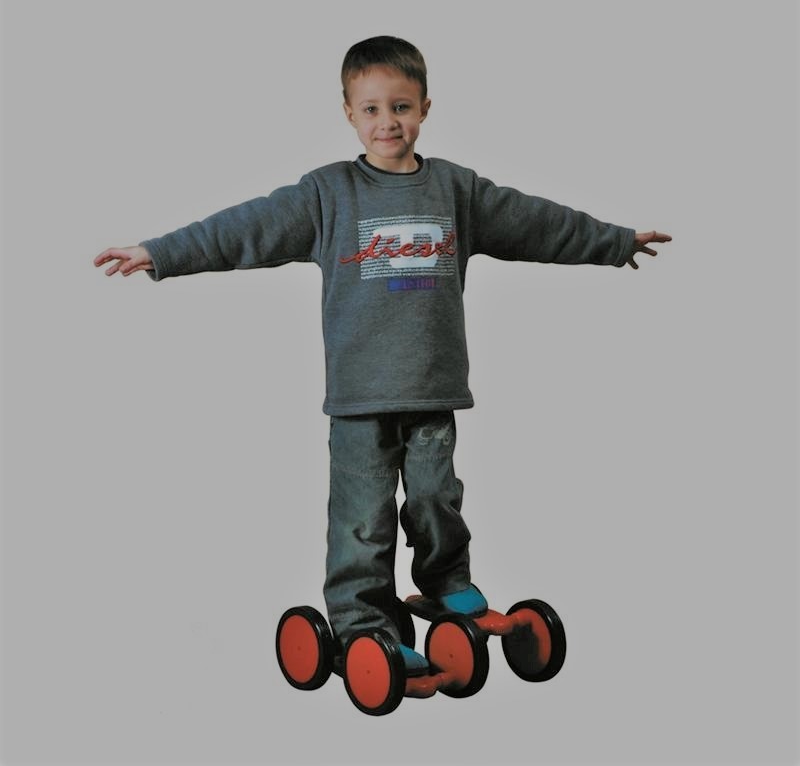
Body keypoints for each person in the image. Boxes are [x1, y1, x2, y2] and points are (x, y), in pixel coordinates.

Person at [94, 35, 671, 674]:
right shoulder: (328, 195)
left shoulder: (456, 191)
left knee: (436, 500)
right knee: (362, 521)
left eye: (401, 107)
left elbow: (538, 223)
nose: (387, 122)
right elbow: (242, 229)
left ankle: (447, 583)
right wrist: (160, 253)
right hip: (359, 397)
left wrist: (613, 241)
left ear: (425, 108)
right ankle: (361, 621)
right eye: (371, 109)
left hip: (432, 389)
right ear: (349, 113)